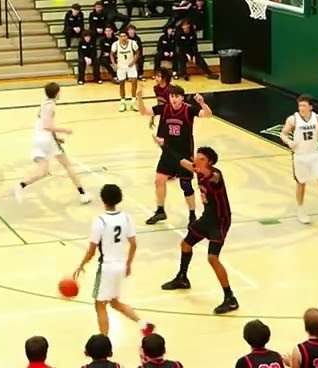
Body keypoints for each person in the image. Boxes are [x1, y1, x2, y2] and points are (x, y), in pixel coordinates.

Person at [160, 146, 238, 315]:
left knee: (212, 258)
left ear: (209, 162)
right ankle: (182, 278)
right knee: (185, 244)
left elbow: (214, 177)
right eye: (197, 157)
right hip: (207, 218)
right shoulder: (197, 169)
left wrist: (206, 171)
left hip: (220, 220)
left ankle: (230, 298)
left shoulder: (215, 175)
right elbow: (180, 160)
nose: (197, 160)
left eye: (201, 159)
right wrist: (164, 146)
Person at [72, 183, 155, 337]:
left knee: (99, 305)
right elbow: (134, 244)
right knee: (114, 302)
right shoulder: (127, 218)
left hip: (107, 268)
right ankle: (144, 324)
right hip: (120, 265)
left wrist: (81, 265)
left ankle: (104, 341)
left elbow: (92, 250)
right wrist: (128, 264)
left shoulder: (100, 221)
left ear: (103, 199)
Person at [137, 83, 207, 227]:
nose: (173, 99)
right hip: (168, 153)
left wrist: (202, 103)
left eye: (176, 96)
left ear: (182, 98)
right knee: (159, 180)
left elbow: (207, 114)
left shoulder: (189, 110)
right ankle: (160, 210)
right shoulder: (164, 109)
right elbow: (143, 111)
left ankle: (192, 215)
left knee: (186, 185)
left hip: (184, 155)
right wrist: (139, 97)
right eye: (171, 96)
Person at [15, 82, 91, 205]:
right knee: (68, 166)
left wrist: (57, 138)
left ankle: (21, 185)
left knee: (43, 172)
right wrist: (65, 130)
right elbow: (47, 126)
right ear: (57, 93)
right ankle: (83, 194)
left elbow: (43, 125)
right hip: (46, 140)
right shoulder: (51, 106)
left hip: (37, 139)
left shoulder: (43, 104)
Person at [279, 95, 318, 227]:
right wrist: (289, 141)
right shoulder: (293, 119)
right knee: (301, 184)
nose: (301, 108)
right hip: (300, 156)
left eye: (304, 105)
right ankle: (301, 211)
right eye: (299, 105)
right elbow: (283, 134)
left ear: (310, 107)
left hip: (314, 155)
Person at [113, 30, 140, 112]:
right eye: (121, 36)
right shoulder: (115, 44)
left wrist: (133, 61)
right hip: (121, 66)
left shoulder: (132, 43)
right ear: (119, 37)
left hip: (130, 66)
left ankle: (133, 102)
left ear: (127, 37)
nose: (123, 38)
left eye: (124, 36)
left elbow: (138, 52)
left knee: (134, 82)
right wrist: (114, 63)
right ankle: (123, 102)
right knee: (121, 84)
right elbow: (111, 54)